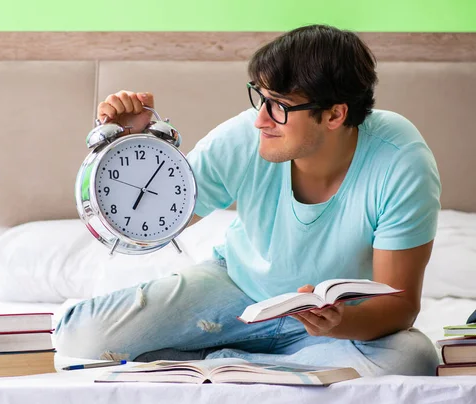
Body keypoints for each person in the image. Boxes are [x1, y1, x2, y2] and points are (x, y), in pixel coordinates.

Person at [54, 24, 441, 376]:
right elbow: (148, 225)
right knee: (79, 337)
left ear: (335, 114)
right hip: (235, 289)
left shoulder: (401, 161)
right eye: (261, 98)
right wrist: (132, 143)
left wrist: (339, 324)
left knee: (413, 359)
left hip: (331, 327)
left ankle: (220, 363)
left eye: (280, 106)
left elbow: (400, 306)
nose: (261, 119)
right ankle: (272, 370)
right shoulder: (246, 136)